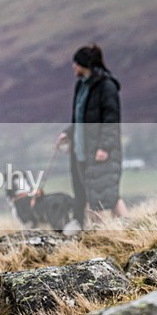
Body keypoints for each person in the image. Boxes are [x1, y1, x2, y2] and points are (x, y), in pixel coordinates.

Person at [56, 44, 128, 230]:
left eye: (76, 63)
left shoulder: (106, 86)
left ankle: (128, 229)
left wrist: (104, 147)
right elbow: (79, 118)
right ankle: (101, 234)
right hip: (82, 152)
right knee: (90, 195)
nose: (73, 66)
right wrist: (68, 133)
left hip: (100, 152)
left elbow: (111, 120)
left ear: (85, 64)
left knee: (109, 195)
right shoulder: (81, 86)